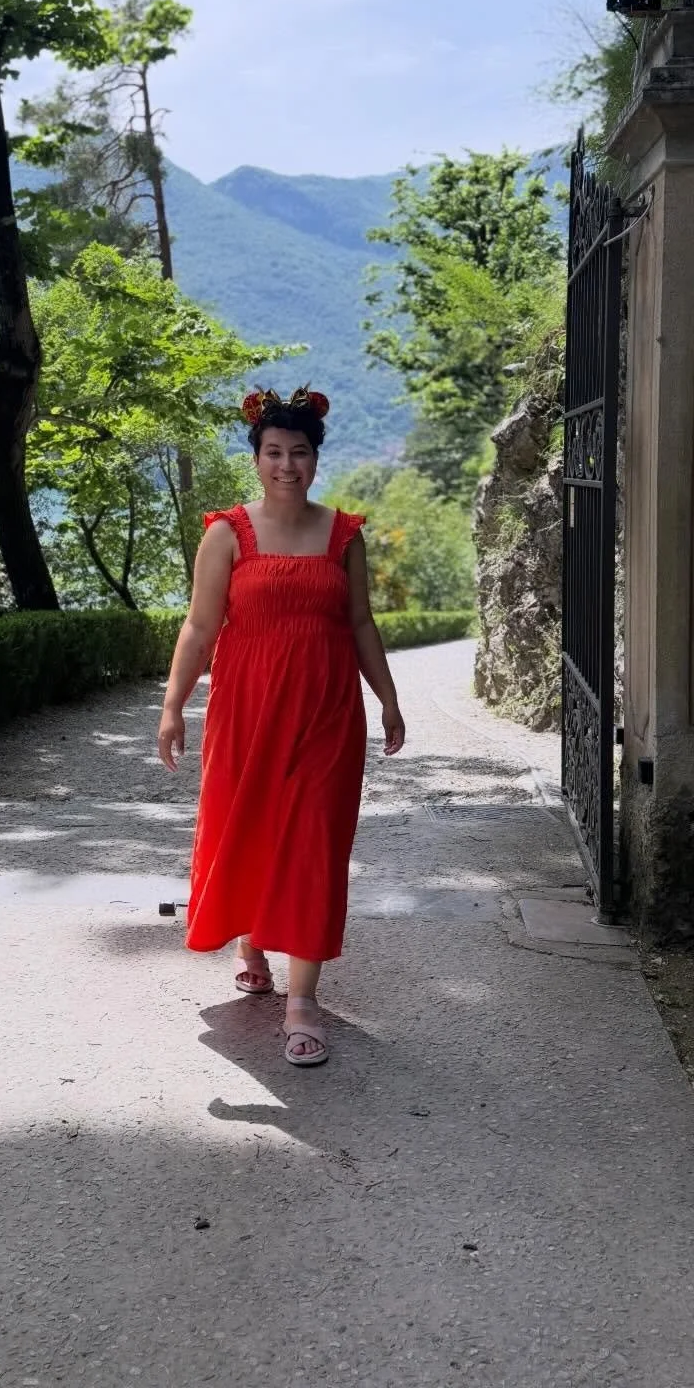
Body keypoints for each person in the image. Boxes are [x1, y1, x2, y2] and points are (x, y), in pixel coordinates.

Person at [157, 385, 405, 1066]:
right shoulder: (226, 533)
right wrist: (174, 704)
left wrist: (387, 698)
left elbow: (360, 623)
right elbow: (200, 625)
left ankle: (303, 1001)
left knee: (313, 841)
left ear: (315, 458)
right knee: (250, 823)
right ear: (256, 457)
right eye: (274, 452)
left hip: (327, 711)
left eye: (299, 452)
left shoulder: (343, 534)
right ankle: (251, 940)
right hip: (247, 708)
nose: (286, 465)